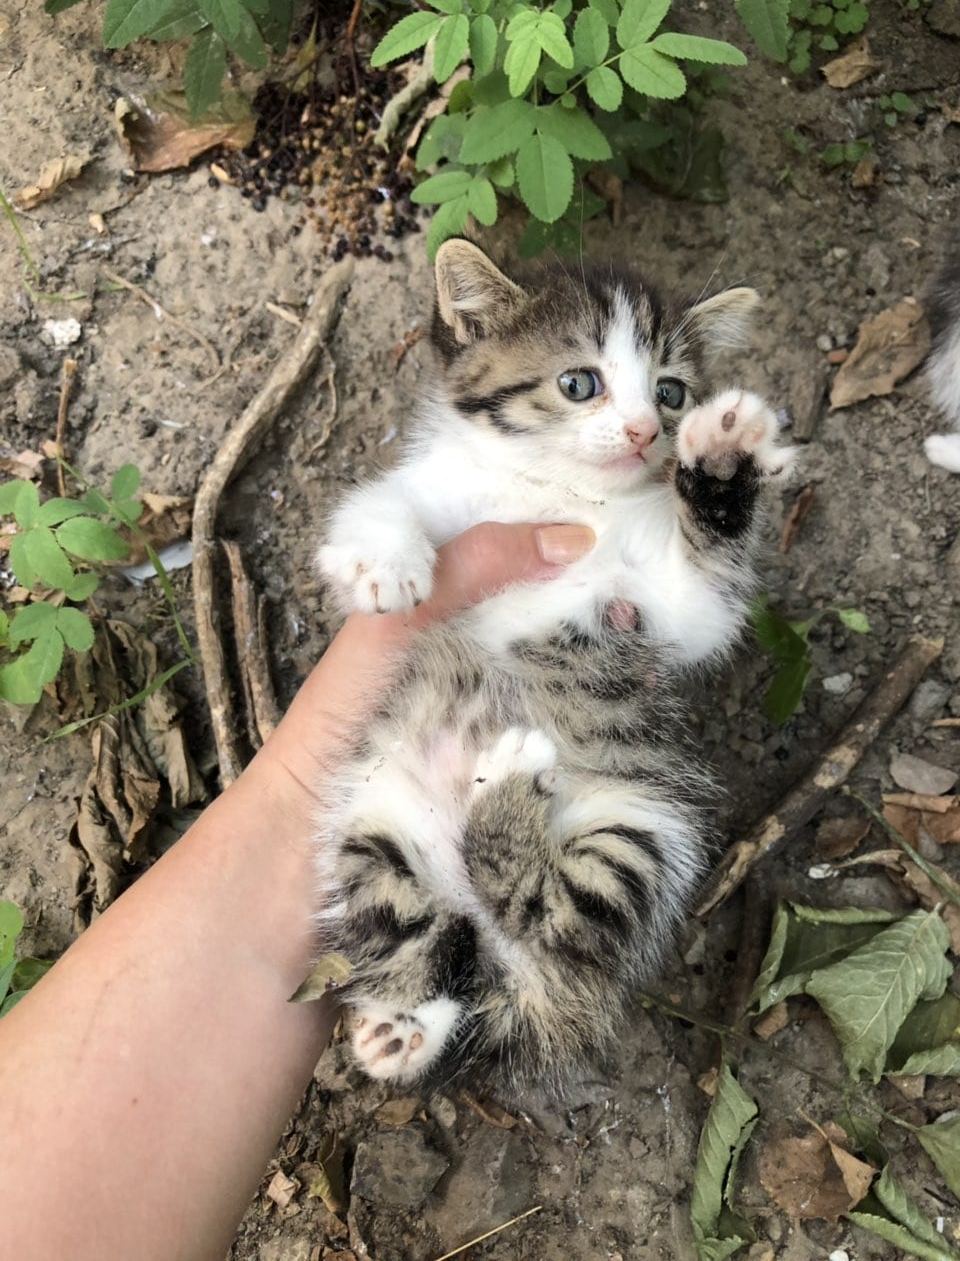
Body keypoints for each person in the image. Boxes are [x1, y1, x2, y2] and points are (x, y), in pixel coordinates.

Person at [0, 521, 595, 1261]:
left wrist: (296, 802)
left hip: (422, 796)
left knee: (372, 861)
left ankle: (428, 980)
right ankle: (437, 984)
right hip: (480, 816)